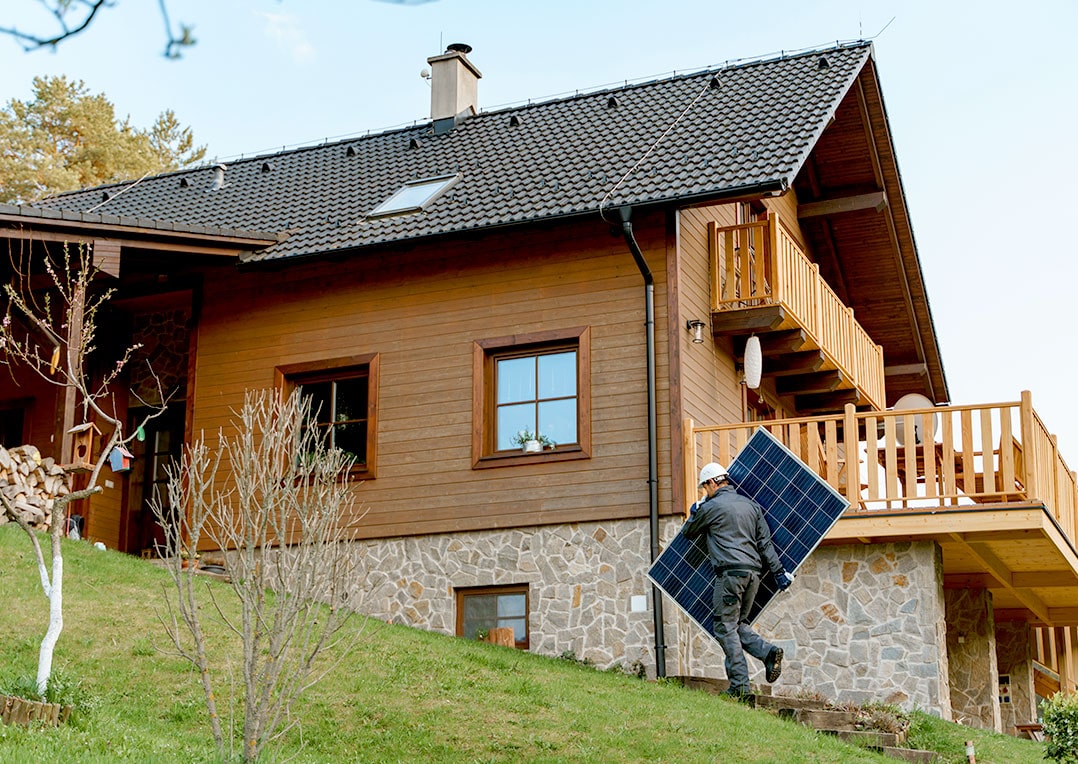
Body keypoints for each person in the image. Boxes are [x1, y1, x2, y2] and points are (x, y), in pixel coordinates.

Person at [682, 461, 794, 701]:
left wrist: (696, 510)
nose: (705, 492)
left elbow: (688, 532)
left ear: (712, 482)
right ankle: (769, 653)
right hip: (753, 574)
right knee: (738, 624)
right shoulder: (751, 506)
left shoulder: (711, 507)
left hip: (730, 575)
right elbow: (765, 544)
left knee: (724, 627)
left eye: (705, 487)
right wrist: (778, 573)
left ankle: (740, 687)